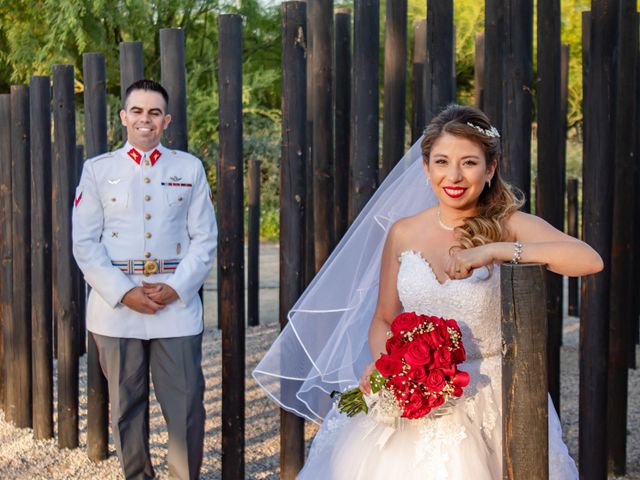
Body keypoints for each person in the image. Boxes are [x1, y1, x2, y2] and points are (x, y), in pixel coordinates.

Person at [254, 104, 602, 479]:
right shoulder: (403, 232)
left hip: (491, 394)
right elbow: (384, 318)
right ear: (425, 168)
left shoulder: (509, 225)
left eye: (469, 163)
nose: (453, 175)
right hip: (411, 391)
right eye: (441, 162)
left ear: (490, 169)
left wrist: (494, 250)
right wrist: (389, 367)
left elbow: (588, 259)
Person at [72, 79, 217, 480]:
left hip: (175, 305)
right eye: (137, 111)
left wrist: (176, 287)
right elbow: (85, 243)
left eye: (154, 112)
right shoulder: (98, 171)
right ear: (124, 117)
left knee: (186, 403)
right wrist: (124, 293)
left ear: (166, 120)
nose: (145, 120)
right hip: (117, 309)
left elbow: (204, 239)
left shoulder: (188, 168)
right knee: (126, 405)